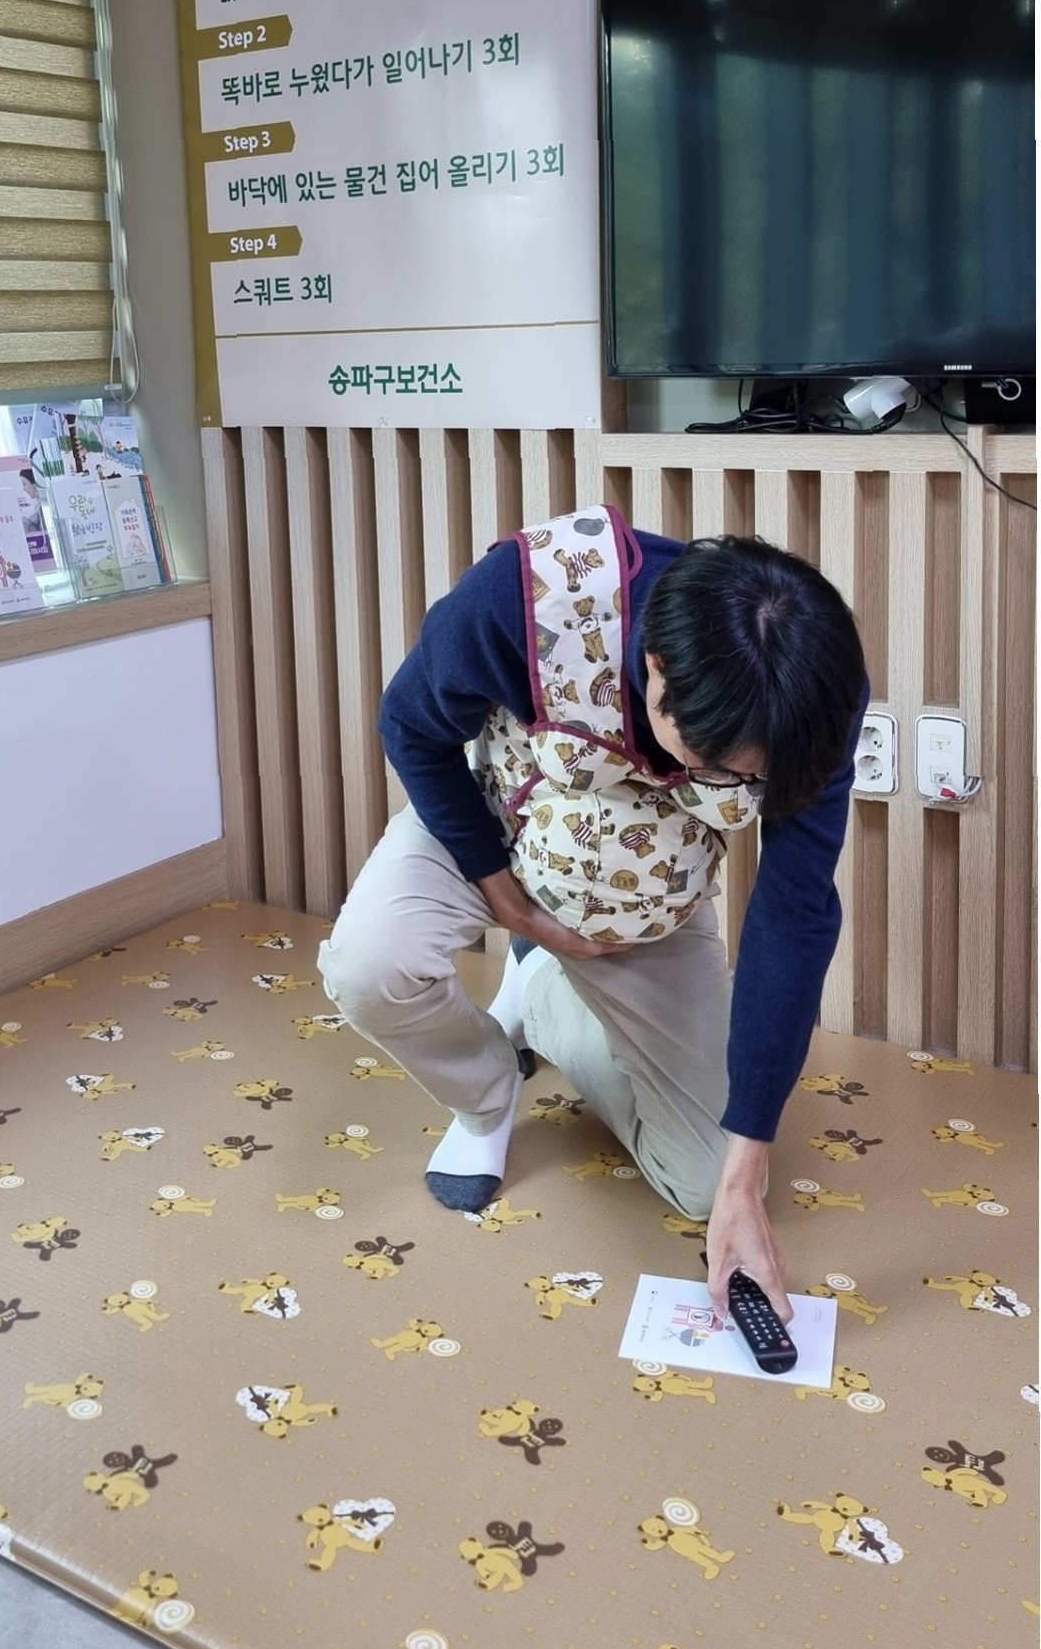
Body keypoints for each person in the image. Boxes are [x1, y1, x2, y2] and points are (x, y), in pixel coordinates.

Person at [318, 503, 868, 1329]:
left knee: (702, 1179)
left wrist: (742, 1176)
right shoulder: (525, 596)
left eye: (746, 782)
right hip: (493, 828)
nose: (733, 789)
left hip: (649, 903)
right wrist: (500, 892)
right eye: (715, 768)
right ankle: (485, 1091)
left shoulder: (814, 696)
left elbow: (791, 916)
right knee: (368, 966)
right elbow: (410, 724)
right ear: (654, 670)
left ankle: (539, 992)